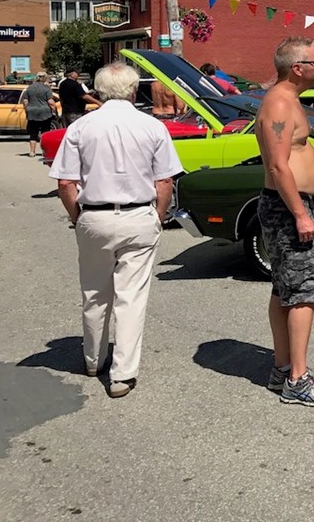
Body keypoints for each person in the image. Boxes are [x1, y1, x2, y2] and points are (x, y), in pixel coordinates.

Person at [50, 62, 182, 398]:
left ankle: (93, 359)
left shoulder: (81, 128)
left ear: (98, 91)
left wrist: (77, 217)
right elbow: (164, 181)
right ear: (133, 90)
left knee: (94, 292)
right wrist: (158, 216)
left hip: (94, 214)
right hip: (138, 214)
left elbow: (66, 182)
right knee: (131, 296)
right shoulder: (152, 127)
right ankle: (122, 374)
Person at [255, 37, 314, 407]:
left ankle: (283, 368)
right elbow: (278, 166)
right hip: (288, 209)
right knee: (303, 294)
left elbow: (293, 156)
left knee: (284, 290)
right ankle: (297, 380)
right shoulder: (279, 102)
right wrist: (301, 214)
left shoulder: (288, 100)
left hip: (291, 203)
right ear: (297, 68)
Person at [22, 74, 58, 157]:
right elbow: (51, 102)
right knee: (45, 133)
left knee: (33, 133)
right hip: (45, 113)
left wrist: (27, 110)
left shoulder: (30, 88)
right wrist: (55, 111)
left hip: (32, 112)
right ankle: (45, 152)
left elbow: (25, 101)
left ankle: (32, 152)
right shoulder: (47, 89)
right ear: (45, 79)